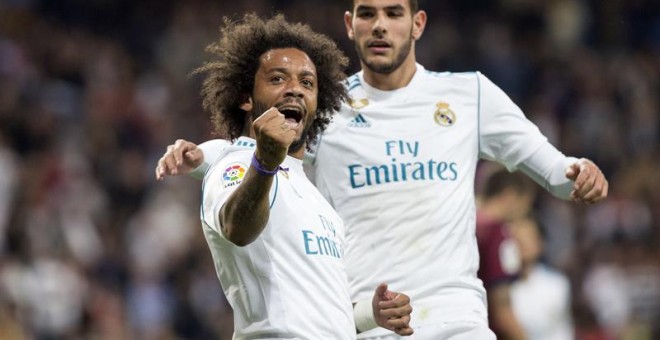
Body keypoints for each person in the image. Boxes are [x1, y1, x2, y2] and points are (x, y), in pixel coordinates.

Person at [156, 1, 608, 338]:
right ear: (350, 24)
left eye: (393, 13)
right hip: (367, 326)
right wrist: (204, 156)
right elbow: (260, 144)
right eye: (367, 13)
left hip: (456, 320)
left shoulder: (469, 96)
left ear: (418, 23)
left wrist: (577, 171)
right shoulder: (327, 110)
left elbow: (554, 170)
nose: (380, 26)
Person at [189, 13, 413, 339]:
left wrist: (370, 314)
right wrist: (264, 162)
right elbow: (237, 228)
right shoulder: (232, 165)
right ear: (246, 97)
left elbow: (316, 314)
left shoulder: (317, 200)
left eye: (307, 83)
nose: (295, 89)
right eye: (278, 79)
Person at [476, 166, 537, 339]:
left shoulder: (462, 225)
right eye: (525, 206)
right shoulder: (498, 235)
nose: (523, 215)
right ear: (510, 196)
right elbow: (502, 309)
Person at [509, 217, 575, 340]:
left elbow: (561, 329)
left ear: (540, 243)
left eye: (528, 238)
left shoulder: (557, 285)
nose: (523, 244)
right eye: (517, 239)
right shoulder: (498, 286)